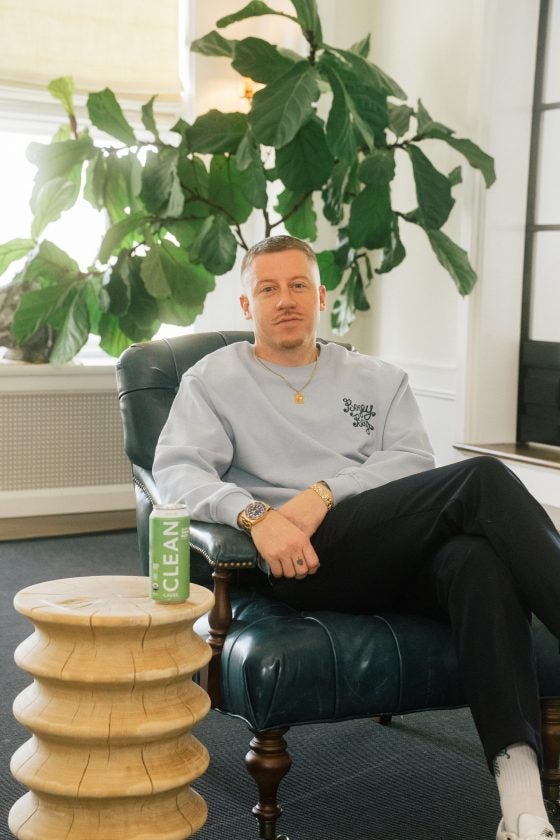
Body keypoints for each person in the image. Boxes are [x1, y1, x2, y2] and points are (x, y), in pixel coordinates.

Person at [153, 234, 560, 840]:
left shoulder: (377, 378)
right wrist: (256, 515)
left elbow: (412, 463)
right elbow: (177, 473)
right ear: (246, 305)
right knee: (482, 479)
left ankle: (522, 809)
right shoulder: (214, 379)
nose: (285, 300)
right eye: (268, 289)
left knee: (479, 563)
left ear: (320, 297)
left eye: (299, 285)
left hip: (391, 551)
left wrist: (324, 493)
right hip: (302, 563)